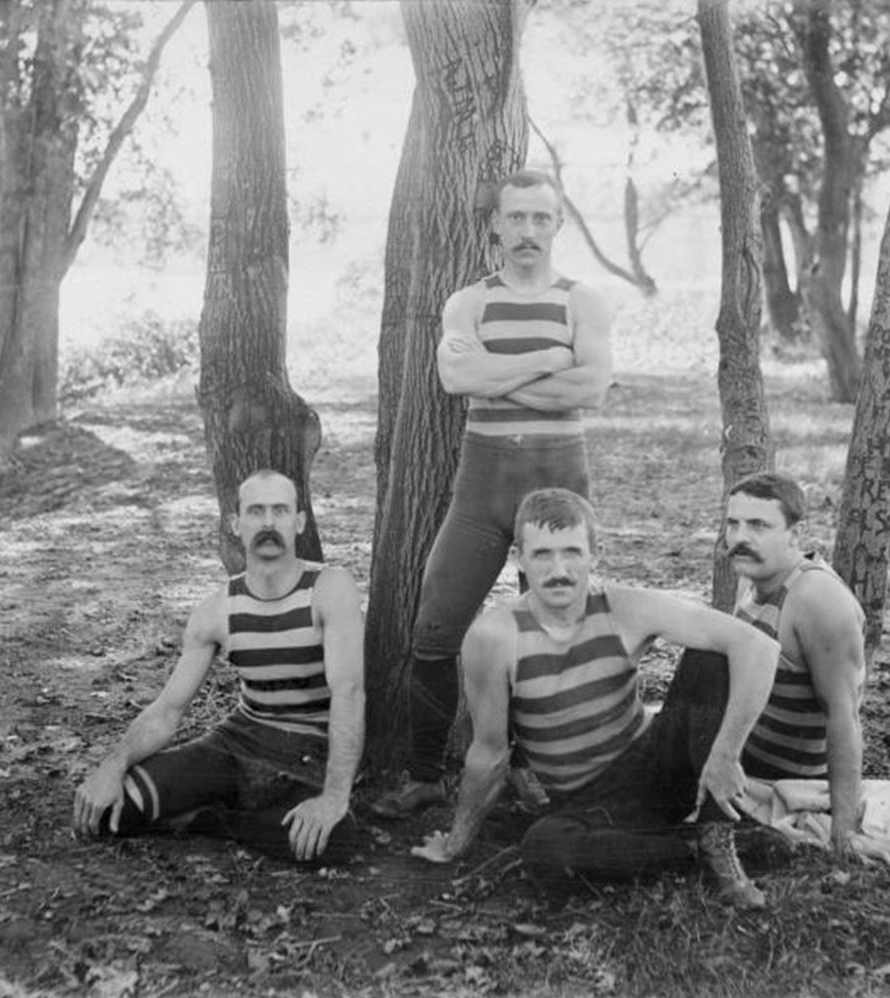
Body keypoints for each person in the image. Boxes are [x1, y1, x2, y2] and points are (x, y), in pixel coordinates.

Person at [372, 168, 615, 819]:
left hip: (559, 484)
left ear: (557, 225)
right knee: (433, 625)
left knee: (553, 628)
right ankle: (425, 776)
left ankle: (532, 771)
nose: (529, 231)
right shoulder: (468, 302)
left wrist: (496, 377)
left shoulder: (582, 301)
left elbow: (589, 389)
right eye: (517, 218)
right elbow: (456, 376)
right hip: (481, 488)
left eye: (542, 218)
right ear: (495, 226)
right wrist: (547, 361)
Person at [410, 488, 781, 908]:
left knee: (715, 653)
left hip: (660, 766)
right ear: (519, 560)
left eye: (572, 552)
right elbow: (489, 751)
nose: (559, 570)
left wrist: (725, 754)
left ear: (594, 555)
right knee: (545, 851)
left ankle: (717, 837)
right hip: (589, 803)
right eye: (542, 555)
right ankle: (696, 851)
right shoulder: (494, 636)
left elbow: (759, 647)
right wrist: (456, 843)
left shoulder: (623, 606)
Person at [72, 470, 365, 865]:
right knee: (107, 815)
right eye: (256, 511)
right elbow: (167, 711)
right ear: (235, 524)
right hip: (235, 747)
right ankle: (227, 808)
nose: (267, 523)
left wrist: (333, 797)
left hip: (305, 759)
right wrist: (113, 764)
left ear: (299, 522)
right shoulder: (216, 611)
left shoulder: (330, 588)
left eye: (280, 511)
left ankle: (213, 821)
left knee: (336, 841)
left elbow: (349, 692)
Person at [726, 471, 890, 871]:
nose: (741, 536)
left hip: (779, 779)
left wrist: (843, 833)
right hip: (740, 757)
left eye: (759, 525)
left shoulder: (816, 599)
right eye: (733, 523)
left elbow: (842, 716)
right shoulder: (757, 574)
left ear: (796, 533)